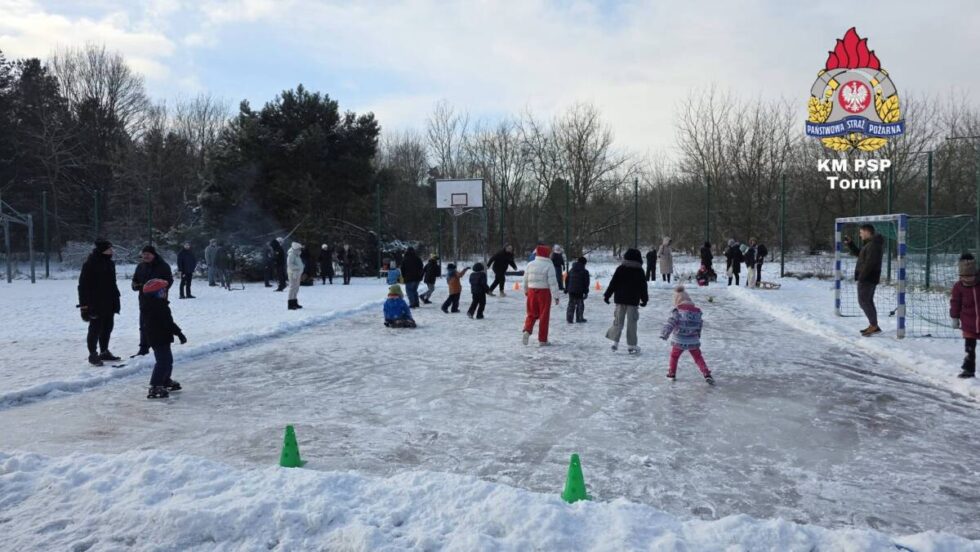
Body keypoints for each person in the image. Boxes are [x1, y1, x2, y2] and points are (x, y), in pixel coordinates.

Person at [77, 239, 121, 366]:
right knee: (95, 328)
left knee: (107, 327)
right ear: (103, 250)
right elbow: (82, 286)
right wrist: (84, 306)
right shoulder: (90, 264)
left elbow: (112, 283)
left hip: (110, 301)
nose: (112, 251)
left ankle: (104, 351)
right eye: (109, 249)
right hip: (95, 303)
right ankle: (93, 354)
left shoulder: (110, 263)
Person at [141, 278, 187, 399]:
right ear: (156, 294)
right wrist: (179, 333)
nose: (165, 293)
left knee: (168, 361)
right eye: (162, 291)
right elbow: (168, 323)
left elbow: (168, 323)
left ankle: (165, 380)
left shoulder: (158, 304)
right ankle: (155, 385)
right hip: (158, 338)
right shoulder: (156, 307)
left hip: (162, 337)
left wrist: (178, 333)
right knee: (162, 362)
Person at [660, 285, 714, 384]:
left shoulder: (677, 311)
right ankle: (707, 374)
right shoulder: (697, 312)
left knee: (674, 356)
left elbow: (671, 322)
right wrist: (698, 335)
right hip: (693, 340)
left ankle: (672, 374)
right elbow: (699, 325)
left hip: (679, 340)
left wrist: (665, 333)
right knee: (698, 357)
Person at [604, 248, 648, 353]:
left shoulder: (621, 268)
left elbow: (613, 283)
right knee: (632, 323)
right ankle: (631, 345)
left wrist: (607, 295)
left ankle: (615, 342)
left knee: (618, 321)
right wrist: (644, 299)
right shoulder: (639, 271)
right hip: (633, 301)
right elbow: (643, 287)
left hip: (620, 299)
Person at [132, 245, 173, 356]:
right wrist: (136, 286)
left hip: (158, 300)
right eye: (144, 254)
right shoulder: (140, 266)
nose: (145, 256)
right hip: (144, 300)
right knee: (144, 323)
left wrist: (158, 288)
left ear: (153, 255)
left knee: (158, 323)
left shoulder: (163, 266)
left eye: (148, 254)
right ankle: (143, 347)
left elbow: (168, 281)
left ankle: (160, 346)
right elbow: (134, 281)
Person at [843, 224, 885, 336]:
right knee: (867, 301)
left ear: (867, 232)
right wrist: (851, 244)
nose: (860, 235)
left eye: (861, 232)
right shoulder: (870, 244)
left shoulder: (873, 245)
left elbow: (870, 263)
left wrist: (862, 277)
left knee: (864, 302)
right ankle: (874, 325)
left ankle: (874, 326)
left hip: (868, 278)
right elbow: (860, 255)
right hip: (868, 277)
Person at [522, 244, 560, 346]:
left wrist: (526, 290)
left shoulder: (530, 264)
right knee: (544, 316)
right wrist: (556, 296)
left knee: (531, 314)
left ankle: (527, 330)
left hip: (531, 291)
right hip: (544, 293)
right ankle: (542, 340)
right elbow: (553, 282)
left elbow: (525, 279)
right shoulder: (549, 265)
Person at [950, 254, 978, 378]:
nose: (968, 279)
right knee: (970, 349)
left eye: (970, 276)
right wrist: (955, 317)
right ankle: (969, 370)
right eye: (964, 277)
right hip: (968, 322)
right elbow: (955, 303)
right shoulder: (958, 287)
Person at [565, 257, 590, 324]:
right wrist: (586, 292)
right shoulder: (585, 271)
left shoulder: (571, 270)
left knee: (571, 304)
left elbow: (567, 280)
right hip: (580, 290)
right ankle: (579, 318)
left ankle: (569, 318)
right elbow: (586, 283)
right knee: (580, 305)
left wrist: (566, 288)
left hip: (571, 290)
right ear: (584, 263)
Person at [286, 241, 304, 310]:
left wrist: (301, 266)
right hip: (293, 274)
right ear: (296, 248)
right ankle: (290, 304)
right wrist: (298, 268)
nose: (300, 249)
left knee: (296, 288)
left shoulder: (297, 255)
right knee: (292, 288)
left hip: (297, 273)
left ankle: (295, 302)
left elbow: (298, 263)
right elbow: (290, 265)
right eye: (299, 248)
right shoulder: (291, 255)